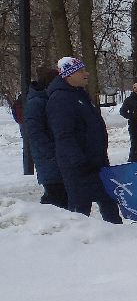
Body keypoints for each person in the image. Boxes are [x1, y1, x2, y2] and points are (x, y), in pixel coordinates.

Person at [46, 56, 121, 223]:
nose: (86, 74)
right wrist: (79, 162)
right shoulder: (60, 99)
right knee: (80, 209)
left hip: (96, 161)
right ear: (68, 75)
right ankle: (79, 243)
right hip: (78, 166)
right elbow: (64, 135)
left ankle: (118, 235)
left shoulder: (79, 94)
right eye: (81, 71)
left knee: (108, 200)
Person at [21, 66, 67, 208]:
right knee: (56, 198)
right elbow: (34, 133)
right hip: (50, 161)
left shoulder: (48, 99)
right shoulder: (37, 102)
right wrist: (52, 153)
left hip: (57, 159)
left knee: (60, 198)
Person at [119, 81, 137, 162]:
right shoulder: (129, 99)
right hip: (134, 126)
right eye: (134, 87)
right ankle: (132, 162)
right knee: (135, 145)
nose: (136, 89)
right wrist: (131, 116)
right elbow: (122, 111)